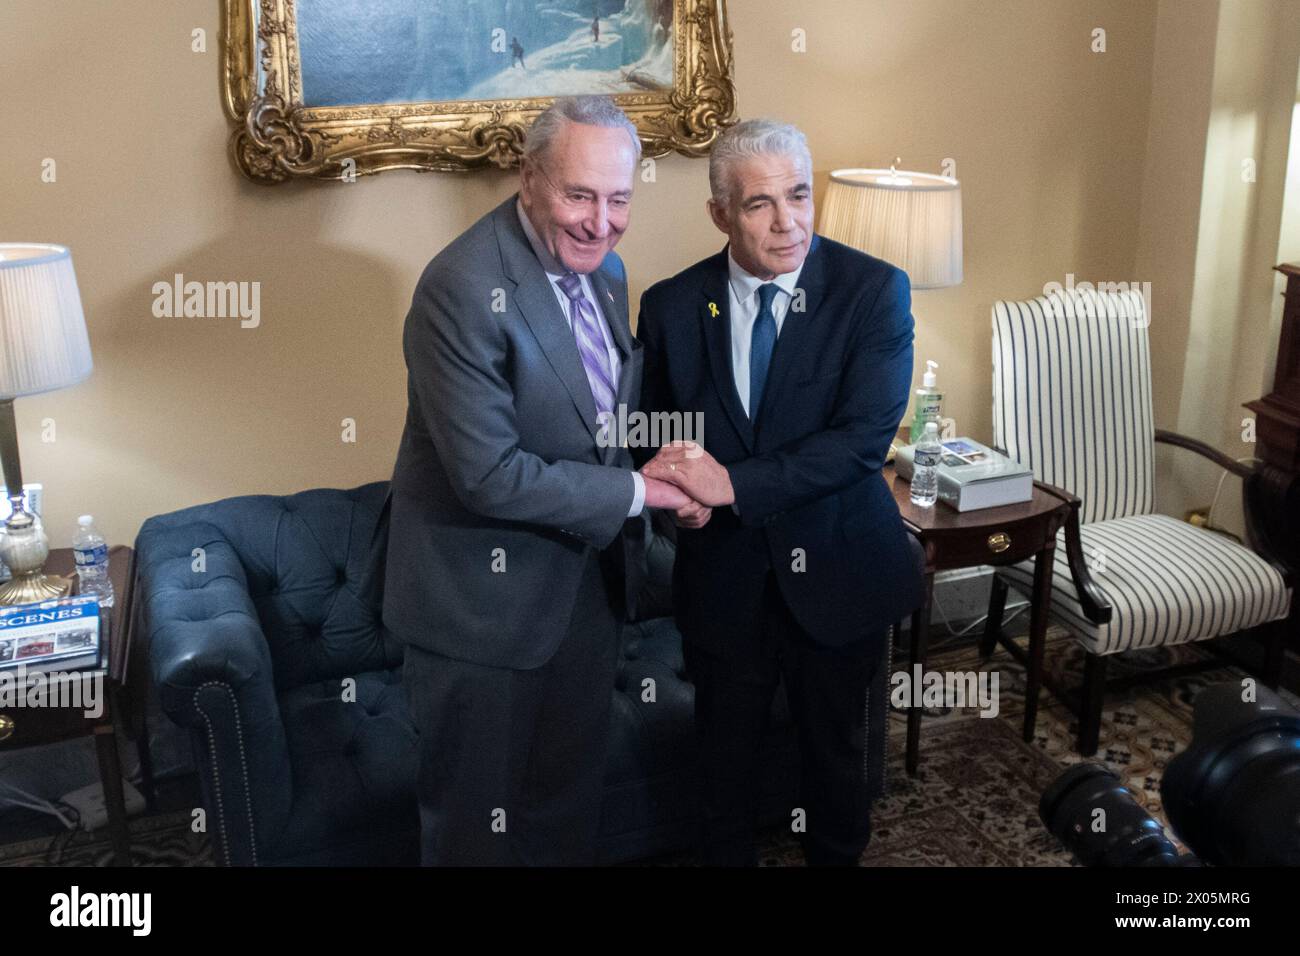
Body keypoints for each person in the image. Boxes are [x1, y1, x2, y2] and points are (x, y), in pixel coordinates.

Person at [384, 95, 690, 865]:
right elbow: (488, 473)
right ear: (529, 180)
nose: (601, 221)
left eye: (619, 199)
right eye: (579, 195)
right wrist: (640, 494)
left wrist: (671, 469)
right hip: (479, 617)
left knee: (565, 813)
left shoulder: (607, 269)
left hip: (585, 596)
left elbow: (596, 418)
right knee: (472, 835)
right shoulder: (460, 287)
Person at [637, 118, 925, 865]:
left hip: (839, 574)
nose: (788, 220)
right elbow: (654, 427)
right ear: (720, 214)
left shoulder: (873, 292)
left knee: (836, 765)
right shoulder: (672, 305)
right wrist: (678, 484)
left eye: (799, 194)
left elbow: (862, 441)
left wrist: (729, 483)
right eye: (760, 203)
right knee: (722, 771)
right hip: (725, 584)